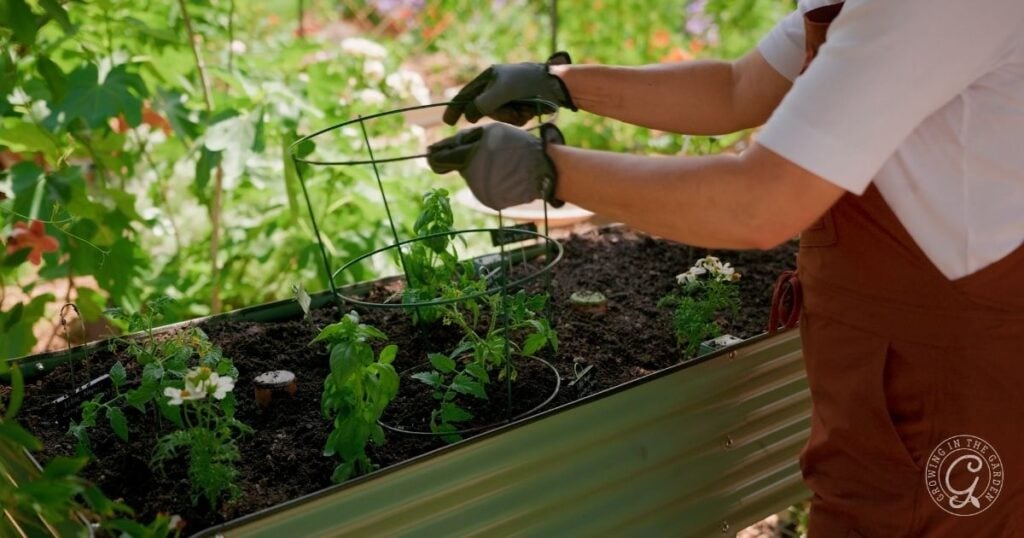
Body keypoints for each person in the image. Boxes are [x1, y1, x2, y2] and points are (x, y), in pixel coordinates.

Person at [426, 0, 1024, 535]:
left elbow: (757, 204)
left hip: (947, 370)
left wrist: (550, 171)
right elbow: (738, 89)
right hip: (892, 349)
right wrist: (560, 84)